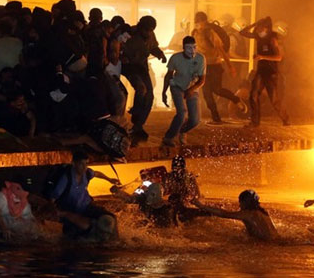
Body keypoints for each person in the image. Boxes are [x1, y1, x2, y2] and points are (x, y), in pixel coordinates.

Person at [49, 150, 120, 241]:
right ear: (74, 164)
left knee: (111, 218)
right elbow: (53, 198)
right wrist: (56, 213)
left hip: (86, 207)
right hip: (72, 211)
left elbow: (97, 173)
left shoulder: (87, 173)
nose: (84, 167)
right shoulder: (66, 178)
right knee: (84, 233)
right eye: (81, 164)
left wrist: (109, 179)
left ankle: (116, 241)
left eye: (86, 164)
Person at [192, 11, 246, 124]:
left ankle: (236, 99)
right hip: (203, 68)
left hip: (215, 66)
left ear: (204, 22)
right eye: (197, 23)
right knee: (207, 93)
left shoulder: (210, 33)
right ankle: (216, 118)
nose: (199, 25)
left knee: (217, 90)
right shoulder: (194, 34)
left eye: (201, 22)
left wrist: (230, 66)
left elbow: (221, 50)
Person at [122, 15, 167, 145]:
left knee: (150, 96)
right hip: (129, 67)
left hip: (142, 67)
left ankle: (138, 125)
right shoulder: (129, 33)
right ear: (141, 26)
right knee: (141, 89)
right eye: (146, 30)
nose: (148, 33)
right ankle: (135, 113)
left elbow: (153, 47)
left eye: (150, 30)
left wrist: (160, 54)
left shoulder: (151, 35)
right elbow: (118, 45)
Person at [241, 17, 289, 127]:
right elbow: (242, 32)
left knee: (274, 99)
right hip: (260, 71)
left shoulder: (273, 39)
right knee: (253, 95)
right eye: (257, 27)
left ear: (266, 28)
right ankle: (255, 122)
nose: (257, 29)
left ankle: (286, 119)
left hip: (271, 73)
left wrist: (262, 56)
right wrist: (254, 24)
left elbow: (278, 57)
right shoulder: (258, 36)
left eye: (260, 27)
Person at [161, 36, 206, 147]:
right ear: (183, 48)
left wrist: (192, 89)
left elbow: (202, 80)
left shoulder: (200, 59)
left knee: (195, 120)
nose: (192, 51)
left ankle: (182, 130)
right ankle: (169, 137)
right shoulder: (175, 58)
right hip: (177, 86)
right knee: (182, 113)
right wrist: (164, 91)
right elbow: (169, 75)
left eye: (194, 47)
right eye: (189, 48)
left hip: (193, 88)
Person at [193, 189, 280, 242]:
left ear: (245, 202)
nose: (239, 205)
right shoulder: (263, 213)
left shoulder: (248, 214)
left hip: (266, 245)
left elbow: (224, 214)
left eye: (240, 202)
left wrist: (201, 206)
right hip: (276, 241)